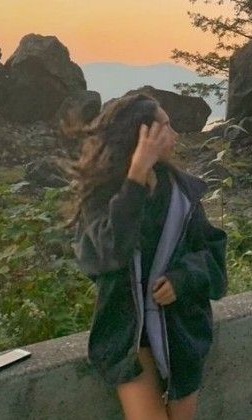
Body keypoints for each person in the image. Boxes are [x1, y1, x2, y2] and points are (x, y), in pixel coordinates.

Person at [68, 93, 228, 420]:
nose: (175, 134)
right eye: (166, 127)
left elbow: (214, 259)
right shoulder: (102, 197)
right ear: (143, 136)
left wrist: (182, 279)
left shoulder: (182, 195)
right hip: (128, 337)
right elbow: (106, 256)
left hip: (180, 332)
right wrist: (136, 177)